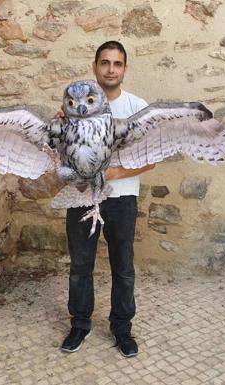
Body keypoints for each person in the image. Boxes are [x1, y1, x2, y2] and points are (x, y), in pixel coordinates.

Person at [60, 40, 155, 357]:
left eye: (117, 63)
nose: (111, 69)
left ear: (125, 69)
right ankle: (80, 325)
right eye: (105, 63)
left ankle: (122, 329)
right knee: (80, 266)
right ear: (95, 67)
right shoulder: (76, 104)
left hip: (123, 199)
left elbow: (152, 159)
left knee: (123, 268)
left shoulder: (138, 107)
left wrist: (113, 174)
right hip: (81, 196)